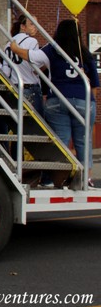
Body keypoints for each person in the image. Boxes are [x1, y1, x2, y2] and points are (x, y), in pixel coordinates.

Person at [11, 19, 99, 186]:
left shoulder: (52, 49)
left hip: (58, 99)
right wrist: (90, 103)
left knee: (60, 143)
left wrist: (15, 47)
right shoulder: (85, 54)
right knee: (83, 142)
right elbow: (94, 85)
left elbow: (30, 56)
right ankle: (85, 180)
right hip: (84, 100)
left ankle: (55, 179)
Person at [2, 14, 44, 116]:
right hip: (30, 86)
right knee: (35, 125)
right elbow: (35, 67)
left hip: (14, 86)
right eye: (32, 24)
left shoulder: (8, 43)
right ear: (22, 26)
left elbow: (6, 71)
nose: (35, 27)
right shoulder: (32, 42)